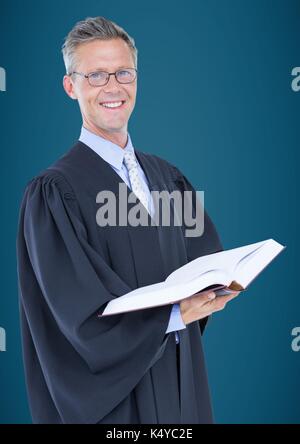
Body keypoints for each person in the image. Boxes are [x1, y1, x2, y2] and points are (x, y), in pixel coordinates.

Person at [16, 16, 239, 424]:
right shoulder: (53, 194)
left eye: (123, 72)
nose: (113, 87)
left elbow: (205, 256)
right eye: (96, 75)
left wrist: (224, 282)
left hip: (181, 390)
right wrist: (173, 316)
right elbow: (75, 317)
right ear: (71, 86)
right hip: (117, 410)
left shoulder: (168, 178)